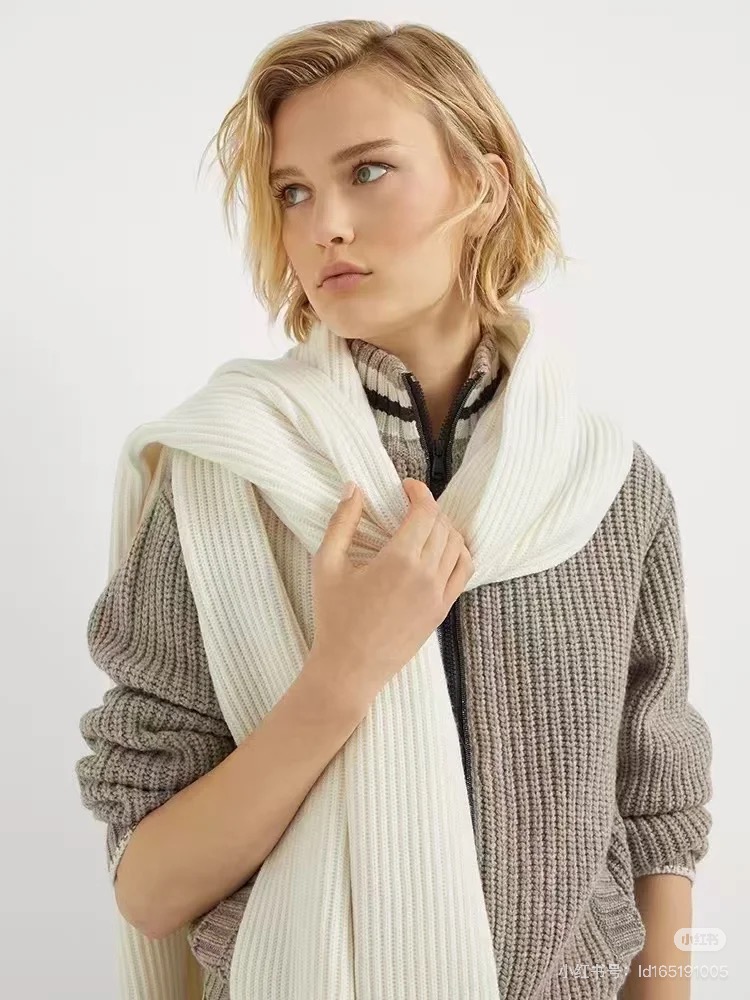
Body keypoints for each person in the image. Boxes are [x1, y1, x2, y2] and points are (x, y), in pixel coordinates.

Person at [74, 18, 713, 1000]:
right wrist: (343, 672)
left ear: (483, 186)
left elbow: (656, 804)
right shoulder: (225, 476)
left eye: (367, 171)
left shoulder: (608, 486)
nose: (323, 224)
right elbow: (150, 889)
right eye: (293, 192)